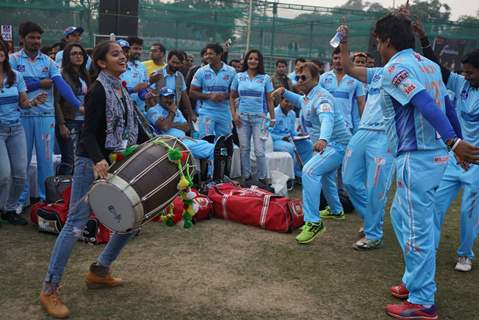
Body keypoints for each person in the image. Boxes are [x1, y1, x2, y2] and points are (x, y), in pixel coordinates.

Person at [369, 15, 479, 320]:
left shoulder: (395, 68)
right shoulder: (428, 66)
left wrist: (454, 142)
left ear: (388, 41)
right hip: (432, 159)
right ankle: (412, 280)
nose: (377, 46)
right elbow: (448, 105)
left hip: (416, 159)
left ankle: (422, 302)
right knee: (401, 217)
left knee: (417, 230)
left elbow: (426, 104)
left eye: (378, 40)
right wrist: (454, 143)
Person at [40, 40, 140, 319]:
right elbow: (86, 135)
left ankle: (100, 270)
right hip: (90, 163)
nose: (123, 57)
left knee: (131, 218)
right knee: (75, 224)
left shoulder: (120, 88)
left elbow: (128, 126)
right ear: (100, 63)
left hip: (114, 160)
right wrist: (98, 160)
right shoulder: (98, 90)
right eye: (115, 54)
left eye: (123, 53)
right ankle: (49, 288)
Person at [411, 17, 479, 273]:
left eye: (471, 72)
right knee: (435, 204)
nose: (466, 75)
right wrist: (424, 39)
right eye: (464, 71)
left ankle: (465, 254)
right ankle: (432, 246)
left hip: (476, 162)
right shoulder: (461, 85)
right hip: (454, 158)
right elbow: (437, 69)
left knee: (467, 212)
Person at [272, 62, 351, 244]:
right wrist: (284, 92)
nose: (299, 81)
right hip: (329, 144)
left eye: (304, 78)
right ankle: (336, 210)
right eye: (297, 78)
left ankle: (313, 222)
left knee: (309, 171)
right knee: (326, 177)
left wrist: (323, 139)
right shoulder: (308, 96)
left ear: (315, 79)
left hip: (336, 145)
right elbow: (300, 100)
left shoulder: (322, 98)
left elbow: (327, 119)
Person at [9, 21, 82, 208]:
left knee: (46, 161)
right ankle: (20, 202)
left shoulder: (48, 62)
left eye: (38, 37)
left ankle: (45, 199)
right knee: (21, 162)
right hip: (22, 116)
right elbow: (13, 85)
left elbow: (61, 85)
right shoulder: (14, 60)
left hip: (45, 117)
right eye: (31, 37)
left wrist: (78, 105)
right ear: (22, 39)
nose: (36, 41)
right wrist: (38, 83)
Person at [337, 26, 394, 250]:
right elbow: (349, 67)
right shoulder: (377, 74)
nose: (379, 47)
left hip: (385, 136)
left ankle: (373, 233)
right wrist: (344, 42)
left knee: (375, 187)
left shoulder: (405, 72)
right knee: (349, 180)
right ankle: (372, 218)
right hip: (363, 131)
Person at [0, 40, 46, 225]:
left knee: (20, 174)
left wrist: (33, 102)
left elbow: (23, 103)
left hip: (16, 129)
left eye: (1, 49)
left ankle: (9, 209)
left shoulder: (16, 76)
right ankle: (3, 206)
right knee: (4, 175)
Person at [230, 49, 275, 183]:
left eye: (256, 59)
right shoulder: (238, 77)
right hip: (241, 118)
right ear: (246, 60)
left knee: (259, 151)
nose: (253, 61)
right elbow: (231, 97)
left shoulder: (265, 78)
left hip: (259, 119)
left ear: (259, 61)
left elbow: (270, 99)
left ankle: (262, 179)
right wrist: (234, 115)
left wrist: (273, 117)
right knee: (244, 149)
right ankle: (247, 177)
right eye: (250, 58)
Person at [147, 87, 215, 164]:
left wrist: (169, 123)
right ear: (160, 98)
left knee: (211, 146)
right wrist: (172, 113)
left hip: (183, 140)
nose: (169, 100)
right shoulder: (153, 110)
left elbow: (186, 127)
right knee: (212, 149)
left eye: (171, 97)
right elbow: (165, 127)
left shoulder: (176, 110)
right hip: (170, 143)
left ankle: (210, 173)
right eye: (166, 97)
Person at [54, 42, 91, 176]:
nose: (78, 56)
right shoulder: (61, 75)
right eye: (74, 54)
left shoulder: (85, 74)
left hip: (84, 121)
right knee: (69, 161)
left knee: (82, 160)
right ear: (67, 57)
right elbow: (56, 102)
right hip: (69, 120)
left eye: (80, 53)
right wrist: (61, 124)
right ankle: (60, 193)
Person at [190, 43, 236, 138]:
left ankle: (222, 153)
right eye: (206, 54)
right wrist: (210, 96)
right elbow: (192, 92)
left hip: (224, 112)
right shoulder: (201, 71)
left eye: (211, 54)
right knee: (206, 140)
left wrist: (224, 96)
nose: (207, 56)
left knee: (224, 141)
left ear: (219, 55)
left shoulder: (231, 71)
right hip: (207, 111)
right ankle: (208, 153)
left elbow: (236, 92)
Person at [320, 46, 366, 134]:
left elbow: (361, 104)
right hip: (326, 124)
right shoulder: (323, 78)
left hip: (346, 126)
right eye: (335, 58)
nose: (337, 61)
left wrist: (363, 125)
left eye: (340, 58)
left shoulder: (356, 79)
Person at [269, 96, 312, 178]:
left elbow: (292, 131)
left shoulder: (292, 113)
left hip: (289, 139)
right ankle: (291, 175)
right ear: (280, 101)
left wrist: (298, 134)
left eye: (292, 102)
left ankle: (301, 173)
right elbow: (268, 134)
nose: (290, 104)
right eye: (287, 101)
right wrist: (281, 138)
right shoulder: (273, 114)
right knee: (290, 148)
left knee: (308, 145)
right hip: (276, 141)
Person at [151, 49, 196, 123]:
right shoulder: (157, 75)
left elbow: (184, 96)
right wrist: (156, 113)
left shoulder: (180, 76)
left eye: (178, 63)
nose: (175, 65)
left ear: (182, 64)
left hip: (174, 112)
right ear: (168, 60)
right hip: (159, 114)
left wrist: (191, 114)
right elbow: (150, 95)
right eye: (173, 62)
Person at [117, 38, 149, 114]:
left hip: (139, 110)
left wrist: (146, 95)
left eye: (140, 49)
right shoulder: (115, 67)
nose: (137, 51)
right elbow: (115, 90)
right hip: (121, 111)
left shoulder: (141, 66)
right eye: (135, 48)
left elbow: (142, 88)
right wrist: (133, 89)